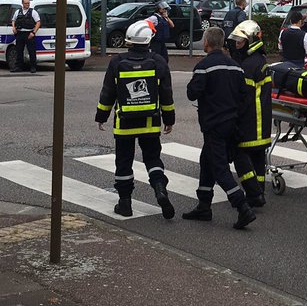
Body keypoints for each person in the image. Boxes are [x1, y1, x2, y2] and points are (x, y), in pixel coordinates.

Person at [95, 21, 177, 219]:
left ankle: (125, 204)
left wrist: (101, 116)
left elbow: (108, 93)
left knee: (123, 162)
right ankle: (160, 190)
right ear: (149, 40)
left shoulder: (116, 62)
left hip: (124, 124)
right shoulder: (158, 61)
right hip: (150, 123)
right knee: (153, 158)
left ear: (128, 40)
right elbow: (166, 94)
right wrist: (169, 119)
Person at [184, 26, 256, 229]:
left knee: (220, 168)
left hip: (213, 124)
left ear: (206, 43)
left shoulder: (204, 66)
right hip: (231, 123)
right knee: (206, 161)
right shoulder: (235, 66)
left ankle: (242, 207)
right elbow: (244, 95)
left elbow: (192, 93)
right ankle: (204, 206)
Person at [229, 20, 272, 209]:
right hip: (261, 121)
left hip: (249, 121)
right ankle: (259, 191)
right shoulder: (260, 61)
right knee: (258, 159)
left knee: (240, 156)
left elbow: (243, 97)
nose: (236, 45)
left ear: (251, 41)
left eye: (240, 42)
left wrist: (234, 117)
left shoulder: (248, 65)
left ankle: (254, 193)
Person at [12, 0, 41, 73]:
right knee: (19, 51)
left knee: (31, 51)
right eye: (26, 3)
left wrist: (33, 32)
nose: (27, 5)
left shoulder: (33, 12)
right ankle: (19, 67)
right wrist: (14, 28)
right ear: (22, 3)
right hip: (20, 33)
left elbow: (38, 22)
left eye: (28, 3)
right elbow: (13, 20)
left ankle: (33, 67)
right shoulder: (18, 12)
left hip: (29, 33)